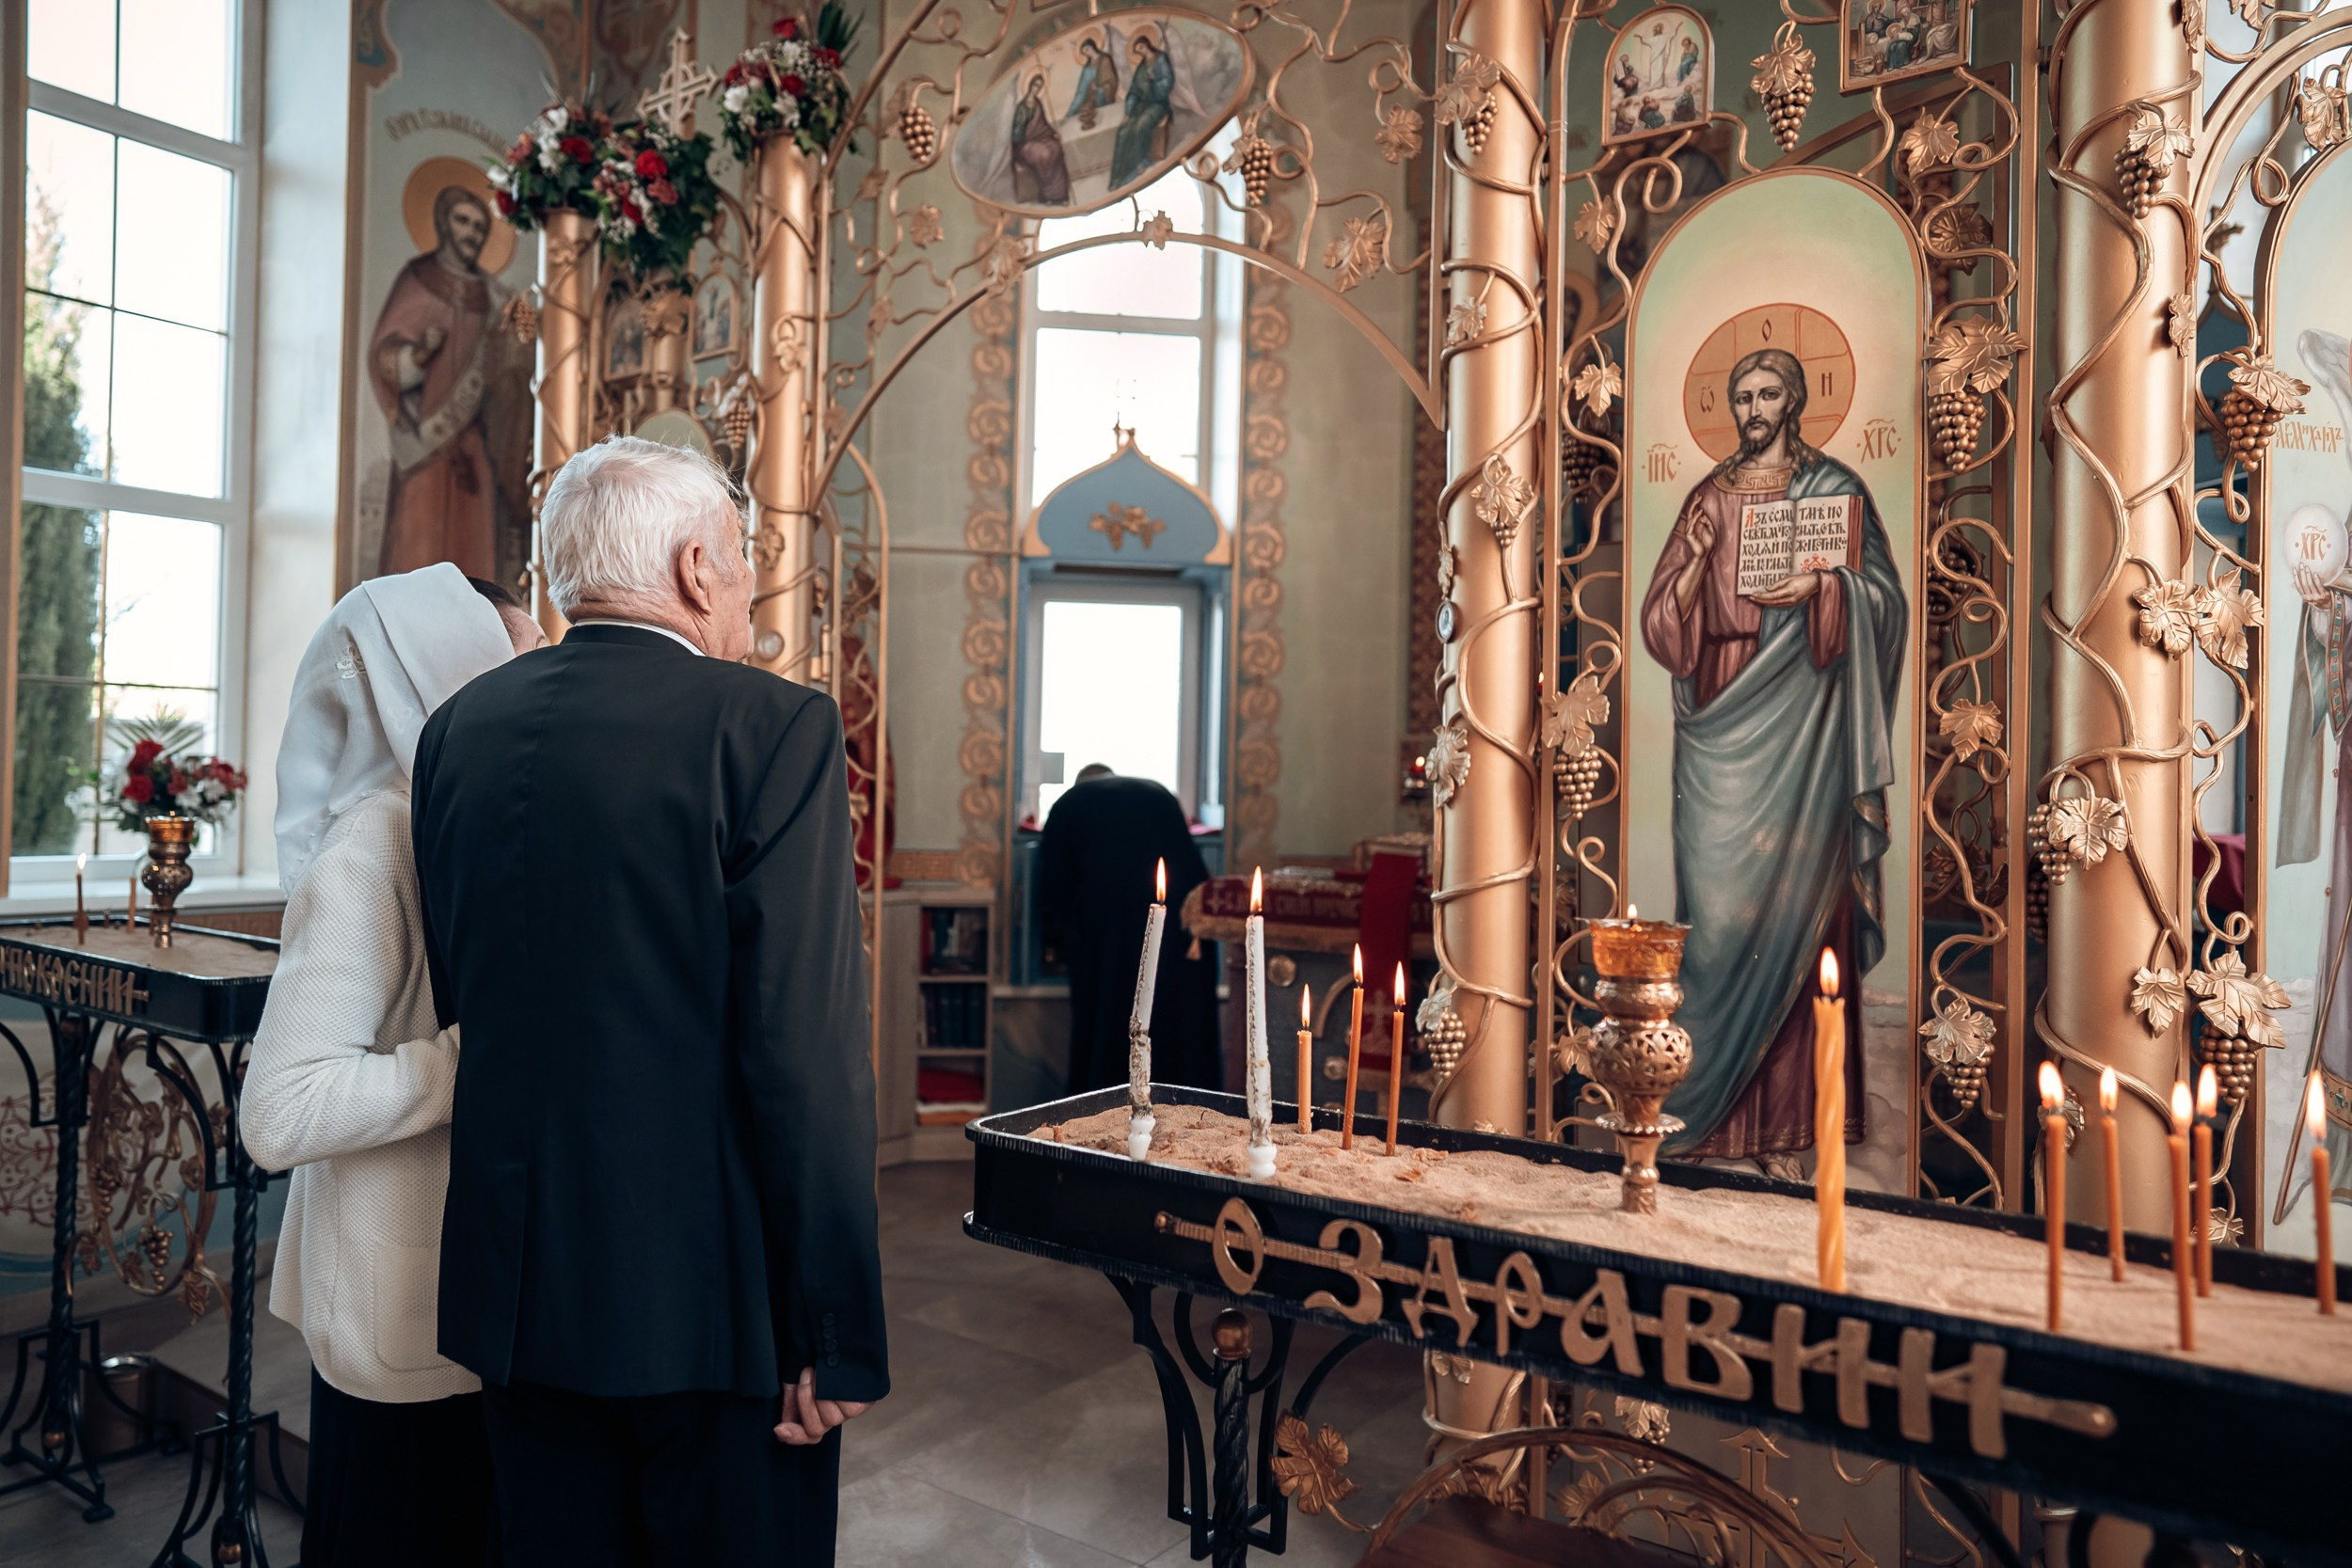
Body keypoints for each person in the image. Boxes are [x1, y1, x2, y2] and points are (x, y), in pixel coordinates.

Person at [410, 436, 886, 1567]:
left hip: (517, 1292)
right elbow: (804, 1056)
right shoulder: (772, 727)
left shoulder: (454, 733)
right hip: (715, 1314)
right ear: (692, 566)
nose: (749, 585)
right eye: (740, 554)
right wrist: (831, 1330)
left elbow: (460, 985)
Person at [241, 564, 544, 1568]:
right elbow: (279, 1112)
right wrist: (473, 1060)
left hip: (465, 1303)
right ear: (446, 676)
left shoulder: (455, 828)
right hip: (394, 1318)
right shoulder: (371, 847)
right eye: (523, 660)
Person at [1638, 346, 1905, 1163]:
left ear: (1794, 401)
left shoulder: (1836, 493)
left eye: (1766, 395)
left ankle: (1797, 1126)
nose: (1751, 410)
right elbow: (1661, 627)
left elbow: (1886, 603)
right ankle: (1705, 1112)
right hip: (1720, 723)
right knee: (1714, 925)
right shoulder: (1708, 498)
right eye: (1740, 396)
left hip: (1809, 731)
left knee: (1800, 916)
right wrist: (1688, 568)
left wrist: (1825, 590)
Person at [1037, 765, 1221, 1094]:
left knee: (1109, 1028)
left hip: (1107, 934)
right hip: (1180, 929)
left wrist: (1064, 946)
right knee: (1180, 1028)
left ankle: (1104, 1111)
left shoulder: (1069, 802)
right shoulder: (1157, 791)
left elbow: (1052, 890)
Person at [370, 186, 516, 580]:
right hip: (427, 445)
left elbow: (510, 363)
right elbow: (384, 352)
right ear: (442, 223)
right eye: (462, 221)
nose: (471, 233)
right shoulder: (418, 278)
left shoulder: (493, 295)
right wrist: (416, 356)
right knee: (417, 547)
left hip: (472, 446)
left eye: (479, 227)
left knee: (476, 560)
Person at [1011, 72, 1073, 206]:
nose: (1036, 88)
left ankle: (1061, 195)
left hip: (1041, 137)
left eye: (1039, 86)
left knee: (1056, 147)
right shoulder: (1021, 108)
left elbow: (1043, 123)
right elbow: (1016, 132)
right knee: (1043, 154)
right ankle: (1048, 195)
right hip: (1023, 145)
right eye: (1035, 85)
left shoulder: (1037, 103)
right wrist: (1022, 133)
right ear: (1030, 86)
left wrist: (1053, 133)